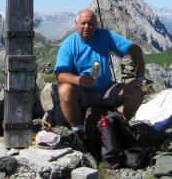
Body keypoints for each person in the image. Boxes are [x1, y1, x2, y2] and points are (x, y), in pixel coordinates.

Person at [54, 8, 145, 136]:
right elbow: (61, 75)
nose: (87, 27)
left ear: (96, 25)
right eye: (83, 23)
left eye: (91, 24)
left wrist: (139, 79)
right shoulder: (68, 44)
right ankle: (79, 132)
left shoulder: (105, 35)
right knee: (64, 90)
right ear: (76, 24)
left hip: (106, 89)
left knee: (137, 93)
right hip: (82, 93)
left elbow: (135, 50)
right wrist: (78, 80)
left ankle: (115, 125)